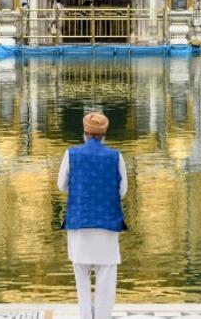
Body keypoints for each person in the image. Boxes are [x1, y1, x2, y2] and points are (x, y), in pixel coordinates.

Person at [57, 111, 128, 319]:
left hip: (80, 222)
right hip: (107, 224)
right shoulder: (116, 156)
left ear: (84, 133)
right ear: (103, 135)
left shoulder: (71, 154)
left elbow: (61, 185)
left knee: (82, 278)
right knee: (106, 277)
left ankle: (86, 316)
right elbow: (122, 191)